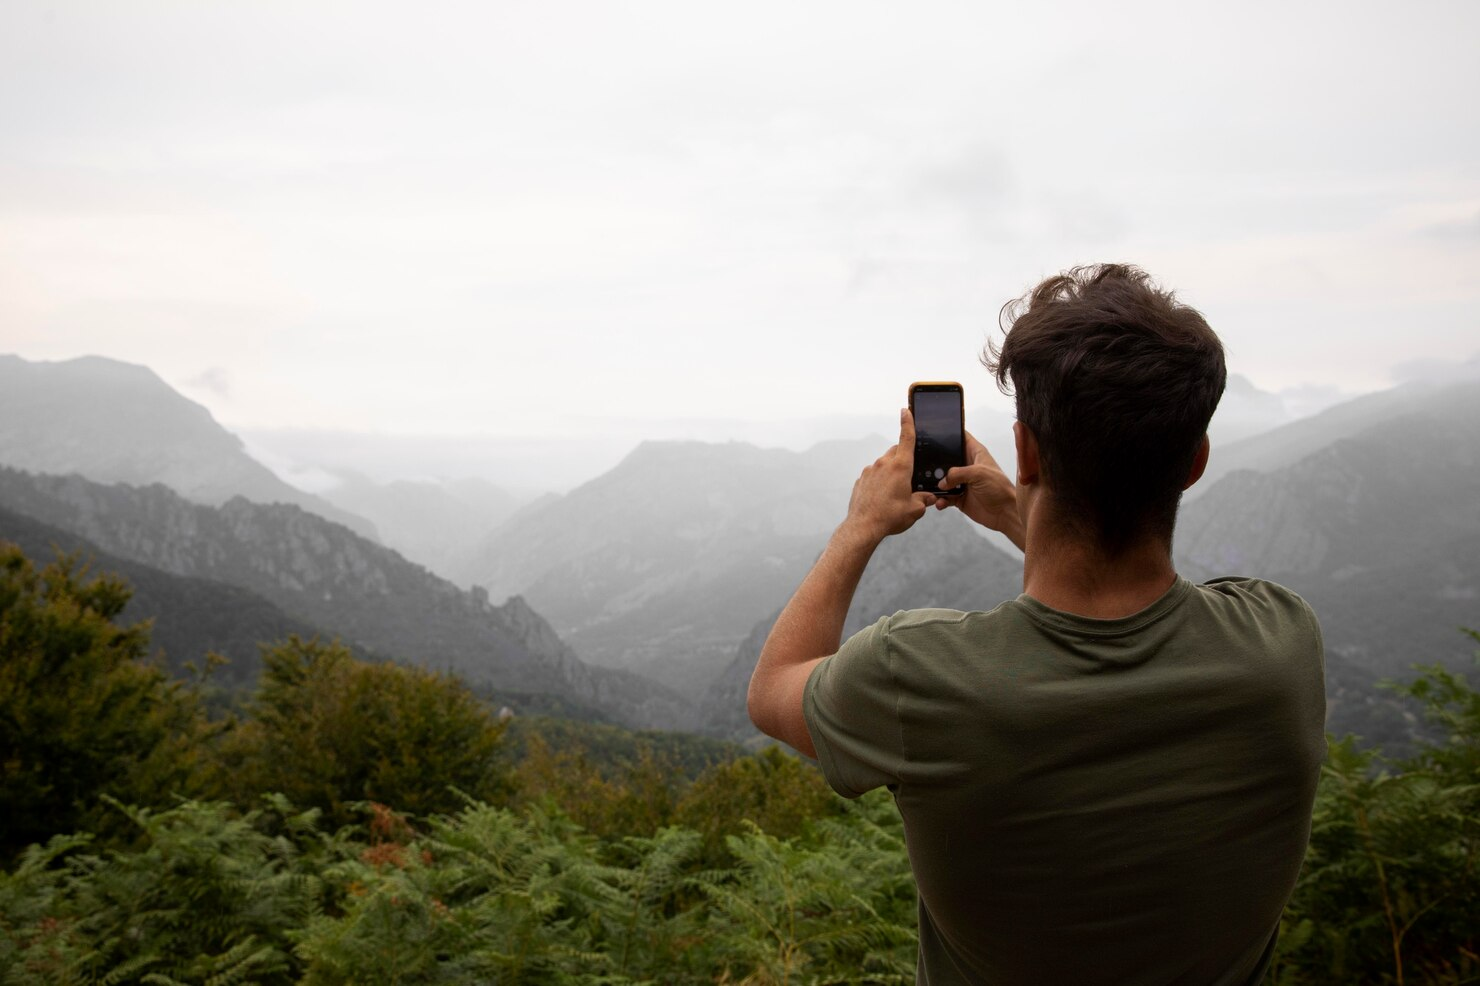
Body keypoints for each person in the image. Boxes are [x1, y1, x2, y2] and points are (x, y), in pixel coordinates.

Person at [747, 264, 1326, 985]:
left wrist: (859, 526)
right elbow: (1137, 597)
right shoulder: (1281, 647)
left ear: (1025, 451)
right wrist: (1020, 514)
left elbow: (772, 688)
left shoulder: (916, 675)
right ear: (1195, 463)